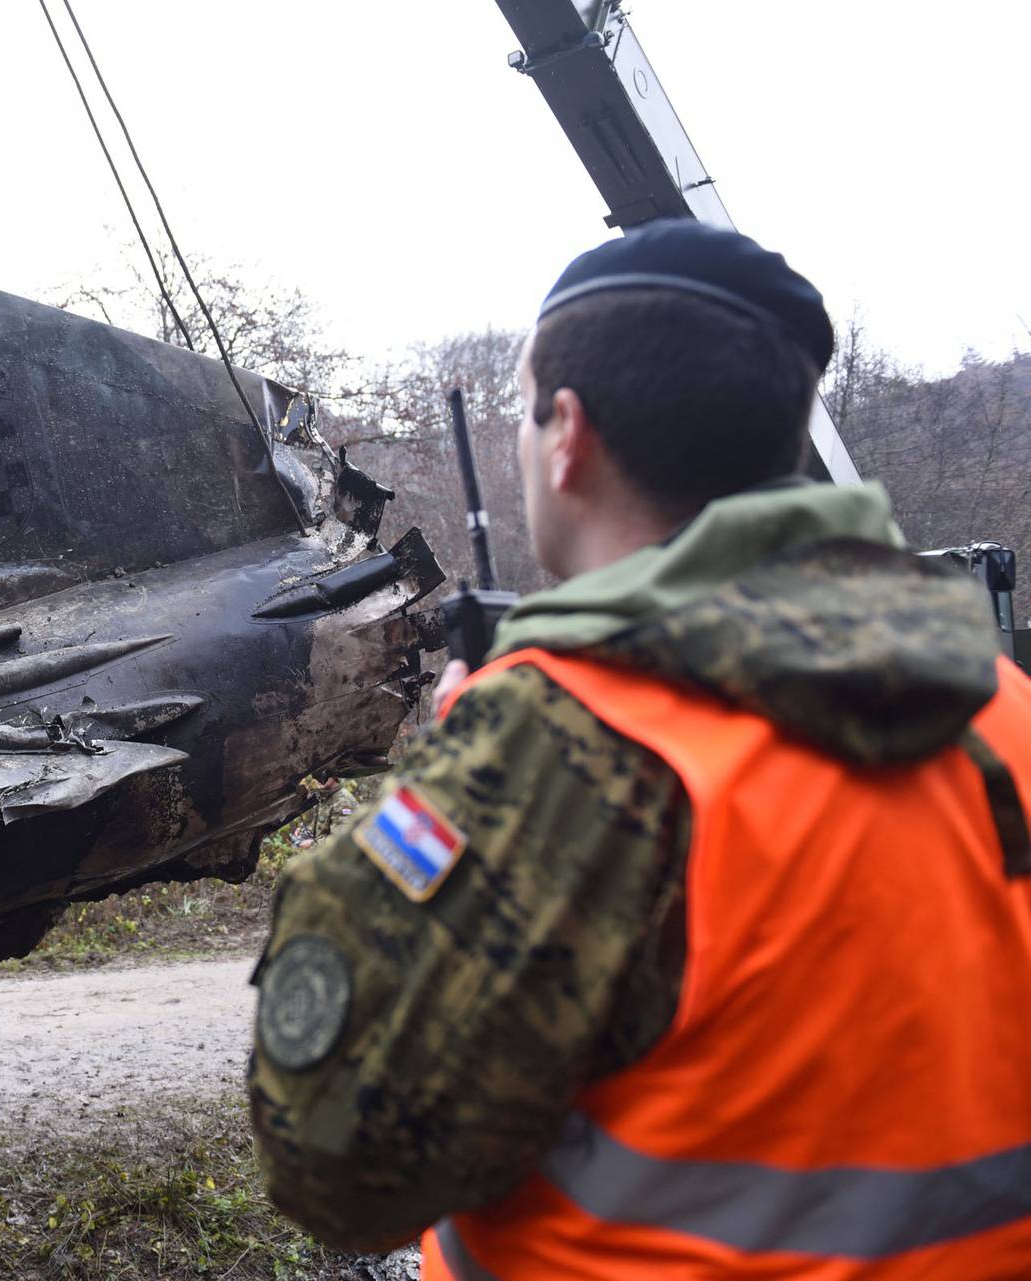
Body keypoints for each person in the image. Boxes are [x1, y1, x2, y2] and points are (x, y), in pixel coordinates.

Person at [248, 220, 1031, 1276]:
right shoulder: (1001, 705)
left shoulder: (568, 748)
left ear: (566, 433)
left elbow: (336, 1163)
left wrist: (459, 777)